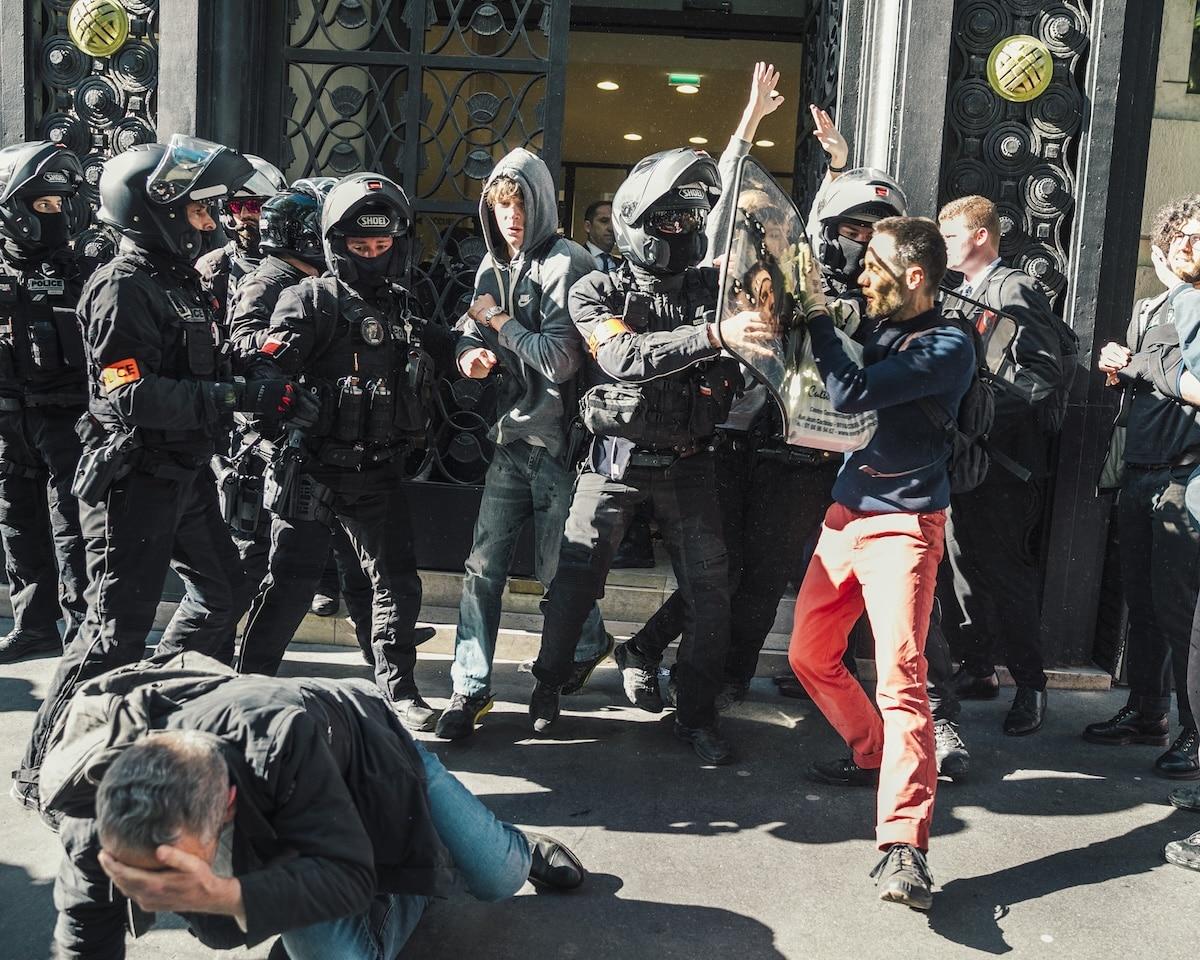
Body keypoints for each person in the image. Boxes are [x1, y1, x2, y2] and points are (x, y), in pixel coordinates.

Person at [12, 136, 304, 810]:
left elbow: (201, 366)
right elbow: (129, 395)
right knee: (110, 633)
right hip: (133, 480)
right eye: (201, 211)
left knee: (221, 594)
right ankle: (41, 777)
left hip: (187, 472)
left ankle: (146, 708)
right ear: (156, 210)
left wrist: (258, 376)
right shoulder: (122, 286)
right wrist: (231, 398)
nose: (215, 221)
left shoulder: (182, 281)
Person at [620, 66, 893, 717]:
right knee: (722, 572)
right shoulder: (722, 269)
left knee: (743, 572)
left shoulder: (792, 274)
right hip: (722, 440)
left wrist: (841, 166)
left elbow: (817, 234)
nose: (748, 226)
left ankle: (709, 672)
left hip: (775, 441)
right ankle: (653, 656)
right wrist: (748, 122)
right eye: (740, 222)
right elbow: (732, 186)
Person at [44, 652, 584, 959]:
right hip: (286, 811)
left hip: (370, 747)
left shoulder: (279, 742)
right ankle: (420, 873)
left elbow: (345, 877)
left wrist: (228, 892)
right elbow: (84, 928)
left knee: (495, 878)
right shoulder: (94, 810)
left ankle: (497, 850)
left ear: (227, 807)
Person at [529, 146, 754, 764]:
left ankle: (695, 710)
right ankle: (548, 688)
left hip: (690, 461)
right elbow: (623, 359)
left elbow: (774, 271)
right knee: (574, 586)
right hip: (615, 465)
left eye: (690, 219)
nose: (680, 231)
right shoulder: (594, 288)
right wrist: (710, 336)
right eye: (667, 220)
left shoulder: (714, 288)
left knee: (711, 595)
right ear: (638, 221)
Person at [787, 216, 974, 909]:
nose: (863, 277)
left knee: (902, 677)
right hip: (845, 515)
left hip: (904, 526)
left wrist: (813, 323)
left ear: (915, 276)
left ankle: (904, 847)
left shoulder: (950, 345)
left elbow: (850, 392)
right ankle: (870, 751)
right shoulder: (879, 324)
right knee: (809, 654)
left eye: (875, 268)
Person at [234, 173, 437, 731]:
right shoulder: (309, 299)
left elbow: (433, 350)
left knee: (396, 582)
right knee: (290, 585)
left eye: (381, 246)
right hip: (314, 471)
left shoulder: (402, 305)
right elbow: (261, 370)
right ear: (334, 243)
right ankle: (245, 692)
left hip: (379, 471)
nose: (372, 257)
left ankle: (399, 691)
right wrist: (285, 402)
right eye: (359, 247)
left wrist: (471, 348)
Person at [436, 148, 611, 741]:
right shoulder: (491, 266)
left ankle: (559, 669)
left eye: (520, 204)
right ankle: (469, 687)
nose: (510, 217)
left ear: (540, 204)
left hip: (562, 443)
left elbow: (560, 360)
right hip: (511, 438)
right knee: (482, 567)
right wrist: (470, 353)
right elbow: (469, 326)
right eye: (501, 204)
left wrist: (500, 324)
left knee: (558, 573)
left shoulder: (572, 263)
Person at [937, 195, 1070, 737]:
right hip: (968, 459)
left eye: (950, 237)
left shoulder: (1012, 287)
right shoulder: (961, 293)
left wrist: (980, 422)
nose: (943, 248)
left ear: (980, 236)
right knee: (963, 567)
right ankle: (978, 669)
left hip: (1003, 463)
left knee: (1008, 576)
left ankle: (1031, 687)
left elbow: (1041, 376)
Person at [1087, 204, 1200, 781]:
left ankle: (1193, 730)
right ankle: (1147, 711)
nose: (1188, 252)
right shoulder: (1149, 307)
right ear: (1162, 250)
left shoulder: (1196, 309)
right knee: (1145, 602)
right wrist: (1117, 366)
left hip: (1187, 475)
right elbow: (1140, 380)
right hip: (1140, 468)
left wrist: (1141, 366)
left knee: (1184, 614)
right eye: (1182, 242)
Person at [0, 142, 91, 664]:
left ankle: (82, 630)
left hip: (65, 418)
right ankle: (33, 625)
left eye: (61, 205)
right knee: (19, 522)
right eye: (45, 205)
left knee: (72, 525)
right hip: (10, 420)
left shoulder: (82, 265)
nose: (56, 215)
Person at [196, 155, 287, 322]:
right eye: (236, 206)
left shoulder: (293, 261)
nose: (244, 215)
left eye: (254, 205)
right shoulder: (215, 266)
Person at [583, 199, 619, 274]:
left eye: (615, 222)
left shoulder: (623, 265)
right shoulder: (575, 260)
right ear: (588, 226)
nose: (611, 228)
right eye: (604, 221)